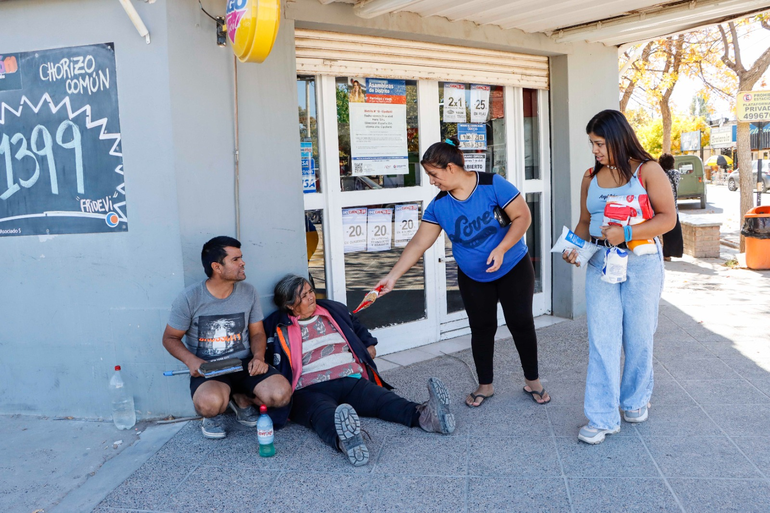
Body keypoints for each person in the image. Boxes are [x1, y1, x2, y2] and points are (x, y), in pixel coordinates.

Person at [376, 136, 550, 408]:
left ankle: (533, 381)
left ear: (451, 168)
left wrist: (502, 248)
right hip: (473, 277)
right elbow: (420, 242)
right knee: (482, 328)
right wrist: (393, 276)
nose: (432, 181)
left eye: (434, 175)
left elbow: (522, 217)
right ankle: (485, 385)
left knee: (521, 323)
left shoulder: (493, 184)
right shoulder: (439, 205)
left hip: (513, 267)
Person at [562, 110, 675, 444]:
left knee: (639, 335)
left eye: (599, 143)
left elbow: (668, 218)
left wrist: (627, 230)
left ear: (617, 138)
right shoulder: (590, 176)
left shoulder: (648, 170)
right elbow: (585, 221)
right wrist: (576, 248)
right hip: (601, 260)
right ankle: (601, 417)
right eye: (591, 144)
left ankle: (635, 400)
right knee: (602, 338)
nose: (594, 150)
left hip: (641, 260)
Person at [263, 274, 454, 466]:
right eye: (304, 296)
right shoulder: (275, 325)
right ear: (289, 305)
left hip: (348, 376)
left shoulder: (333, 309)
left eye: (311, 291)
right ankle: (347, 440)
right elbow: (263, 356)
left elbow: (357, 327)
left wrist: (368, 344)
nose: (311, 297)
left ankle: (428, 417)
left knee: (383, 400)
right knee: (323, 414)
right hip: (309, 387)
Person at [162, 236, 292, 439]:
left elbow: (257, 332)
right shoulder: (190, 298)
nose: (243, 263)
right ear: (217, 267)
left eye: (241, 258)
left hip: (245, 365)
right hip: (210, 369)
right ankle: (214, 414)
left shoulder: (248, 292)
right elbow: (170, 338)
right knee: (209, 405)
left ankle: (242, 399)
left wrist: (258, 357)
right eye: (235, 259)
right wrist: (192, 361)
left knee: (281, 394)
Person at [658, 153, 683, 261]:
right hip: (673, 206)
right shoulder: (676, 173)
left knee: (659, 231)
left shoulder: (659, 174)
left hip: (659, 205)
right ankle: (667, 254)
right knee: (673, 231)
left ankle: (660, 252)